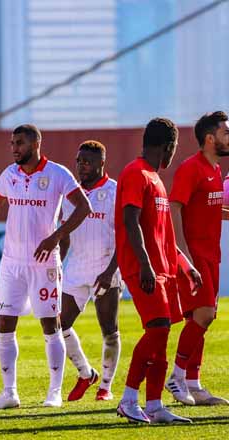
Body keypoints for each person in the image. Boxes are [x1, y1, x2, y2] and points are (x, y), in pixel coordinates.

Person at [0, 124, 92, 409]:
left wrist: (56, 236)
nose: (14, 148)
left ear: (36, 143)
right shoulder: (10, 174)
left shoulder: (58, 174)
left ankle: (54, 392)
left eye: (20, 143)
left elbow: (84, 207)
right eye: (12, 143)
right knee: (4, 323)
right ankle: (9, 393)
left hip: (44, 263)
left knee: (50, 324)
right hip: (12, 262)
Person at [115, 117, 198, 424]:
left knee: (161, 336)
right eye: (173, 149)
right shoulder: (136, 173)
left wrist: (185, 265)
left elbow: (162, 235)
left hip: (163, 270)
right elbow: (130, 221)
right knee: (158, 328)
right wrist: (146, 265)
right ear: (168, 146)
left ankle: (154, 405)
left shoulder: (155, 178)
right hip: (143, 269)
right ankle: (128, 399)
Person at [166, 111, 229, 406]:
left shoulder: (215, 170)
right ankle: (177, 377)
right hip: (194, 256)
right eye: (226, 133)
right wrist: (184, 256)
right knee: (203, 315)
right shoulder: (191, 168)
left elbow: (210, 208)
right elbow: (174, 207)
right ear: (210, 138)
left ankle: (193, 383)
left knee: (203, 318)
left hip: (211, 254)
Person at [58, 140, 122, 402]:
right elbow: (65, 234)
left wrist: (110, 271)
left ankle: (105, 386)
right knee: (59, 324)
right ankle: (86, 373)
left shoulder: (115, 191)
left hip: (105, 268)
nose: (81, 166)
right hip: (76, 269)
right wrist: (57, 265)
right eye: (79, 161)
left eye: (87, 162)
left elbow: (126, 236)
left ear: (101, 163)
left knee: (109, 329)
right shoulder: (71, 193)